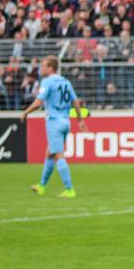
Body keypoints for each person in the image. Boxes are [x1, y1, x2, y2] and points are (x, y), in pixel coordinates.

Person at [20, 56, 87, 199]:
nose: (41, 68)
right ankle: (42, 186)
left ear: (51, 68)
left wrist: (26, 112)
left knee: (58, 155)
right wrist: (80, 120)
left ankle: (69, 190)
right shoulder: (66, 82)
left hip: (54, 122)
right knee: (50, 152)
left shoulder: (47, 82)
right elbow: (75, 102)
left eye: (44, 66)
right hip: (66, 122)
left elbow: (39, 102)